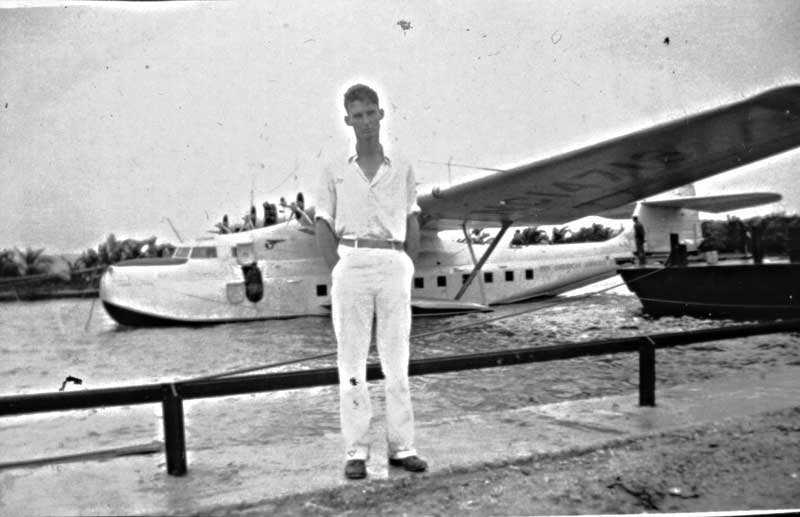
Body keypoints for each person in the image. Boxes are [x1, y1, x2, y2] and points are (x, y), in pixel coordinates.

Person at [314, 83, 427, 480]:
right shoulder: (332, 167)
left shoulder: (404, 164)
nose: (364, 122)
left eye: (370, 113)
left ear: (381, 114)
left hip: (393, 260)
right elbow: (322, 222)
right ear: (347, 120)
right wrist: (337, 269)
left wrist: (407, 264)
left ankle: (403, 447)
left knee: (397, 361)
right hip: (352, 261)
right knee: (352, 362)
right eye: (356, 115)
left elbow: (413, 216)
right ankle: (356, 451)